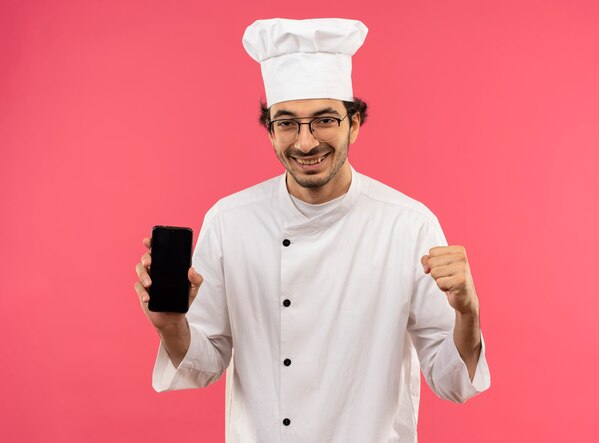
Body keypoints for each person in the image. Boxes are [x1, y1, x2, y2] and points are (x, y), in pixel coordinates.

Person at [134, 18, 490, 442]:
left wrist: (468, 313)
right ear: (270, 131)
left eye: (323, 120)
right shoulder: (230, 221)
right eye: (286, 123)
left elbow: (451, 382)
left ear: (353, 124)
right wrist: (170, 323)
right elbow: (206, 364)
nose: (305, 143)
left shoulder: (409, 225)